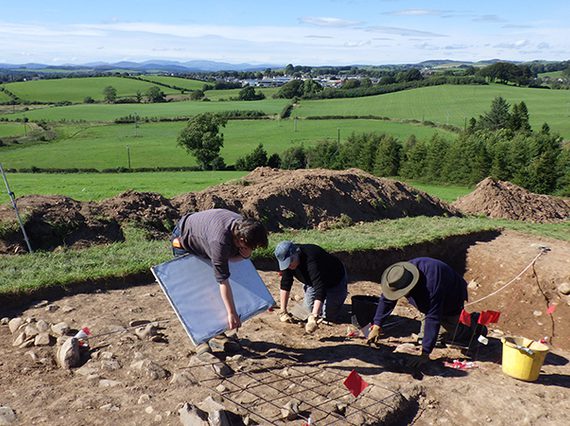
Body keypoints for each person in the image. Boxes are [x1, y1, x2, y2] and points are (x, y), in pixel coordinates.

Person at [171, 208, 268, 356]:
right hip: (184, 239)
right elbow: (223, 281)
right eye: (251, 247)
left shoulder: (241, 226)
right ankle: (200, 338)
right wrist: (232, 313)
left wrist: (245, 254)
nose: (252, 250)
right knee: (197, 288)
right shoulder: (219, 242)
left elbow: (237, 258)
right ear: (241, 240)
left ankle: (218, 334)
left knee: (214, 283)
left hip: (206, 236)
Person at [366, 257, 485, 368]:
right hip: (430, 296)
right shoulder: (402, 273)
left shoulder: (431, 289)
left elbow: (433, 318)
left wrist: (425, 353)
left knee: (440, 336)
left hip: (452, 297)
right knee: (424, 337)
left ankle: (474, 326)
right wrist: (377, 325)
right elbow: (387, 299)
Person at [274, 241, 348, 333]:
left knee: (327, 316)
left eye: (290, 261)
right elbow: (285, 283)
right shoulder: (288, 263)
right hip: (312, 283)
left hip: (335, 281)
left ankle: (339, 298)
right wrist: (283, 311)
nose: (289, 265)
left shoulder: (312, 259)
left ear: (297, 252)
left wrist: (314, 316)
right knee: (305, 312)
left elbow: (321, 288)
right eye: (286, 263)